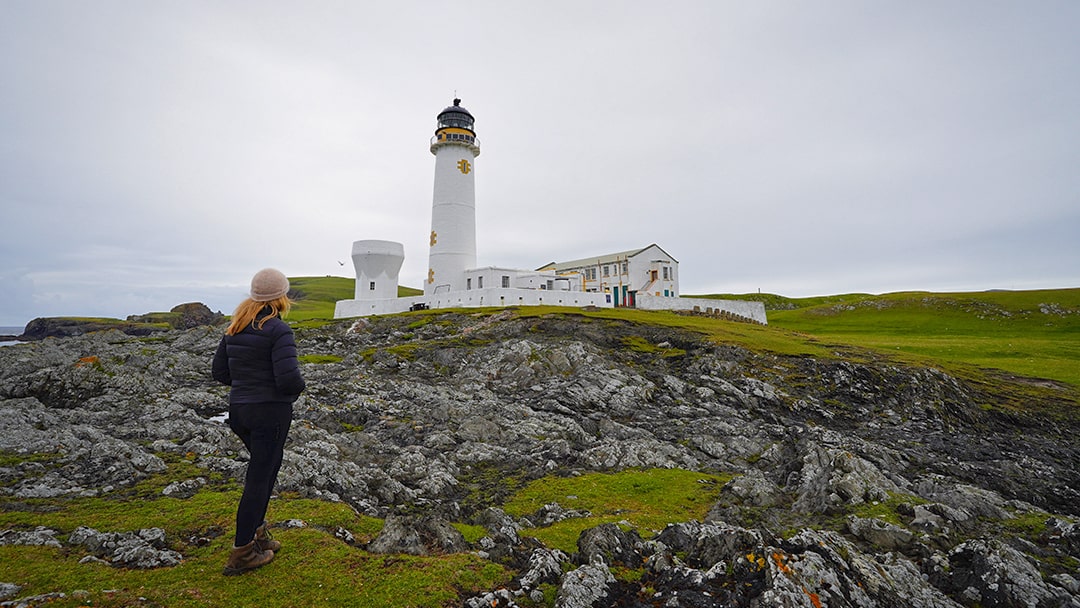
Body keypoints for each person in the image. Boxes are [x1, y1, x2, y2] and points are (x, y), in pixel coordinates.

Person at [212, 268, 306, 576]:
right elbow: (289, 379)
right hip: (270, 414)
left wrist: (246, 385)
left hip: (239, 412)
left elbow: (220, 373)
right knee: (259, 479)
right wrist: (294, 389)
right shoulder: (278, 330)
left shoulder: (235, 328)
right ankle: (241, 553)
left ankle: (258, 534)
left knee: (264, 473)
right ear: (281, 296)